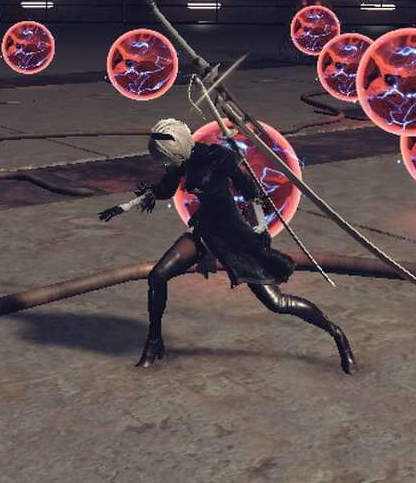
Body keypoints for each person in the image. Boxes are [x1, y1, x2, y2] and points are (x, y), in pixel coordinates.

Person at [100, 118, 356, 374]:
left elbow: (249, 190)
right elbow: (164, 190)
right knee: (158, 276)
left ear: (176, 149)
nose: (168, 165)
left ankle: (337, 334)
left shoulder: (218, 157)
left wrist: (260, 227)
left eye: (168, 159)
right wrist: (125, 206)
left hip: (234, 239)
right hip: (204, 232)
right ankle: (154, 342)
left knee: (278, 303)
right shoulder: (182, 162)